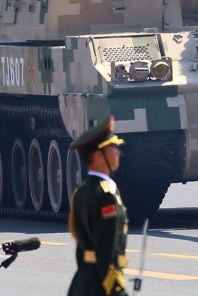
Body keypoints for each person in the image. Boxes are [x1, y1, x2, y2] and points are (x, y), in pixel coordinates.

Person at [68, 116, 129, 296]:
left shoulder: (83, 191)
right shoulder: (106, 196)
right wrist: (117, 291)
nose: (118, 152)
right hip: (100, 287)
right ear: (98, 156)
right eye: (112, 148)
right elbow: (107, 250)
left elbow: (82, 249)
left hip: (83, 282)